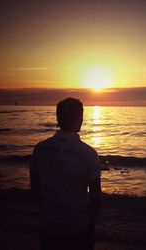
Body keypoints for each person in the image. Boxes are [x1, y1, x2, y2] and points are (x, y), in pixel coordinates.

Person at [30, 97, 101, 250]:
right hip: (78, 227)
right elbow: (95, 197)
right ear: (80, 119)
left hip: (49, 225)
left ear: (58, 118)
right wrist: (90, 225)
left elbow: (35, 189)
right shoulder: (88, 153)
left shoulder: (40, 149)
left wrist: (45, 213)